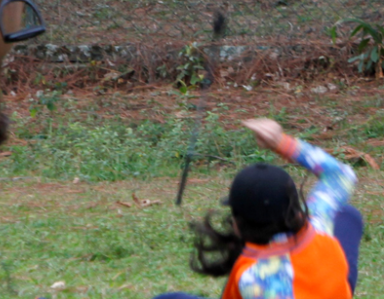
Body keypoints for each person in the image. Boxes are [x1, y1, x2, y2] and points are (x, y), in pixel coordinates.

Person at [154, 118, 362, 299]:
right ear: (296, 209)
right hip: (330, 289)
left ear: (237, 224)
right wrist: (281, 142)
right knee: (347, 215)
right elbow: (341, 176)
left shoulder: (250, 276)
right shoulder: (319, 229)